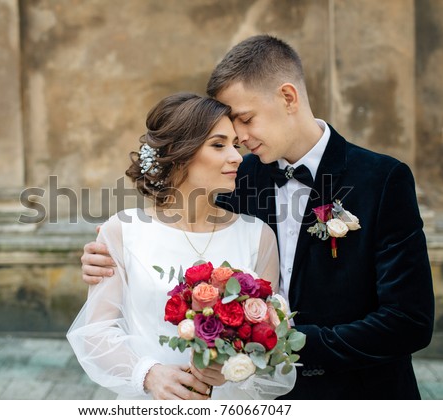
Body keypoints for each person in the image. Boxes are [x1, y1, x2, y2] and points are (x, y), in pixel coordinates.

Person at [80, 35, 435, 400]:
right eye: (230, 134)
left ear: (288, 97)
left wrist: (274, 340)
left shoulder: (382, 179)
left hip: (358, 394)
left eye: (246, 120)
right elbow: (180, 235)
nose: (241, 141)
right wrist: (109, 257)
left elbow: (409, 321)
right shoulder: (237, 178)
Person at [67, 92, 296, 400]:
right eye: (219, 145)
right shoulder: (122, 231)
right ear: (179, 152)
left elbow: (274, 338)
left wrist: (238, 367)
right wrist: (148, 374)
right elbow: (96, 335)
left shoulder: (258, 236)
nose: (237, 156)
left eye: (235, 145)